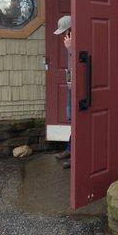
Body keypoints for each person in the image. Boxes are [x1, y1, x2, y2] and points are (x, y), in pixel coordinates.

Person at [53, 15, 72, 169]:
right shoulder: (70, 41)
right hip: (71, 86)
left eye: (66, 31)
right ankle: (69, 149)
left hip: (77, 89)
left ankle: (76, 155)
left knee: (77, 121)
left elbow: (80, 63)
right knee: (71, 120)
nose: (64, 35)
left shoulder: (76, 42)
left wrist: (70, 48)